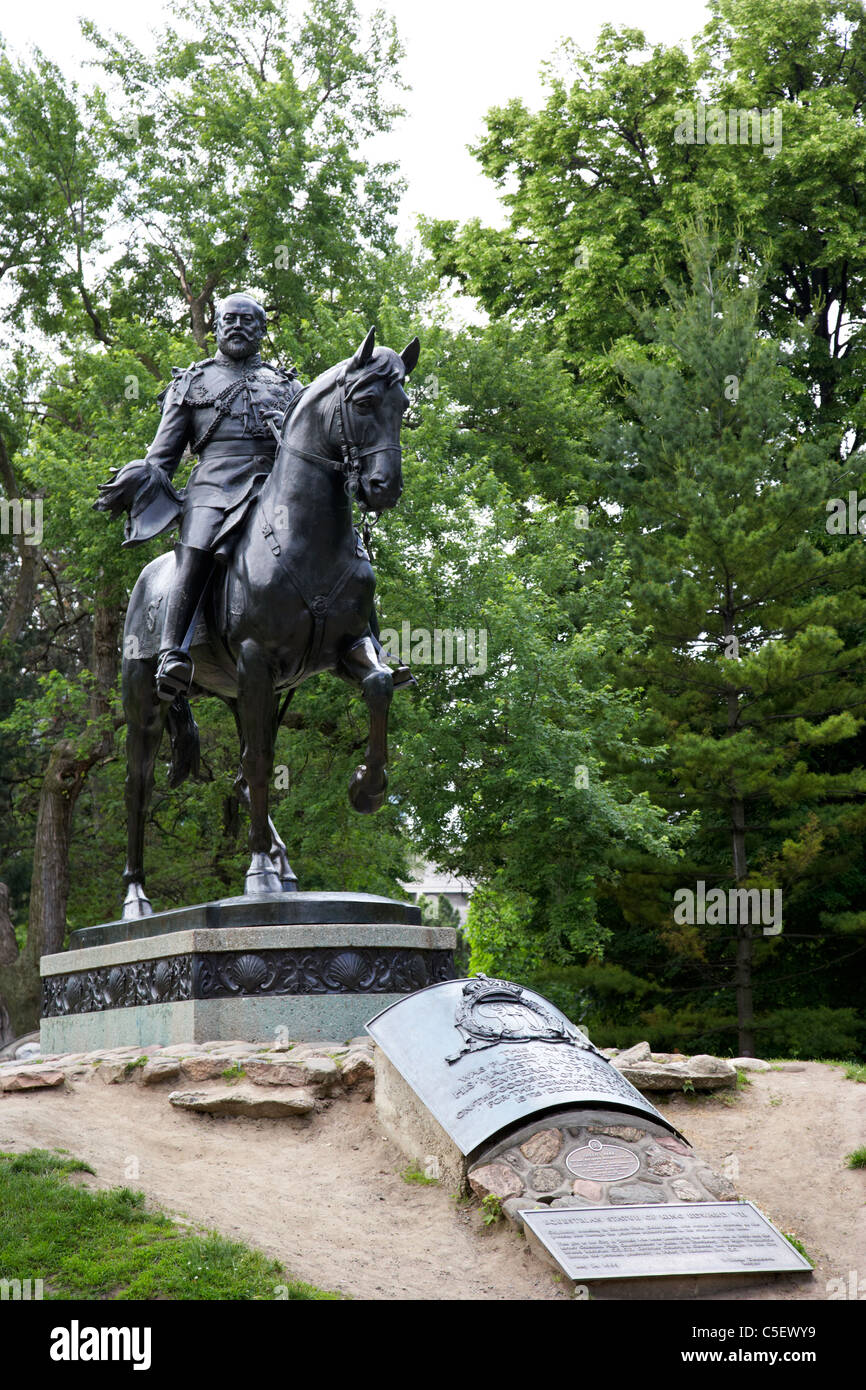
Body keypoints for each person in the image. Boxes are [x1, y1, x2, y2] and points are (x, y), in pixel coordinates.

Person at [96, 293, 302, 699]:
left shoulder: (288, 386)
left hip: (276, 489)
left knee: (337, 533)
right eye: (230, 320)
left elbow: (310, 450)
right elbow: (163, 457)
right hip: (215, 486)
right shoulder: (191, 382)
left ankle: (369, 647)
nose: (238, 326)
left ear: (262, 330)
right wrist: (139, 476)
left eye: (248, 321)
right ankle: (174, 650)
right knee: (197, 541)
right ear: (218, 327)